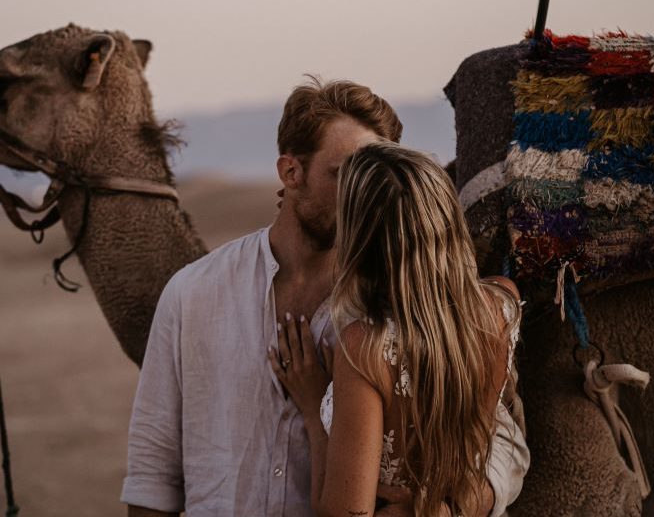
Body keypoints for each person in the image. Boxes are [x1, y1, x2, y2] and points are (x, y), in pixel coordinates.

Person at [122, 78, 529, 517]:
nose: (364, 197)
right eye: (346, 175)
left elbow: (500, 445)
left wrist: (446, 508)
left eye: (372, 177)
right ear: (291, 172)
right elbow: (153, 475)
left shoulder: (406, 309)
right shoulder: (193, 294)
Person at [271, 141, 523, 517]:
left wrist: (312, 408)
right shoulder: (500, 304)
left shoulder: (364, 348)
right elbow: (496, 434)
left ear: (360, 238)